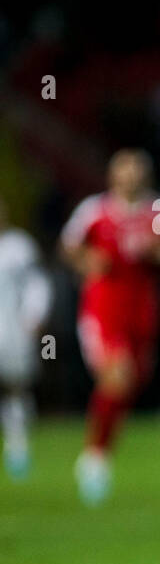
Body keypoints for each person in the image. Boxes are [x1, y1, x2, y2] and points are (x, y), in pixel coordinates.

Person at [60, 149, 160, 505]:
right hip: (103, 310)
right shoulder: (94, 211)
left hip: (142, 313)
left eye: (137, 172)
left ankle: (99, 453)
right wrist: (88, 260)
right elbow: (68, 248)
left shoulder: (159, 211)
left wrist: (155, 252)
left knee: (131, 383)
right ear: (113, 176)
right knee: (118, 376)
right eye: (125, 172)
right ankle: (94, 459)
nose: (131, 178)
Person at [0, 196, 53, 478]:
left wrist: (35, 315)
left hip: (11, 329)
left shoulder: (20, 247)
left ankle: (18, 447)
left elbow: (38, 284)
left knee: (15, 387)